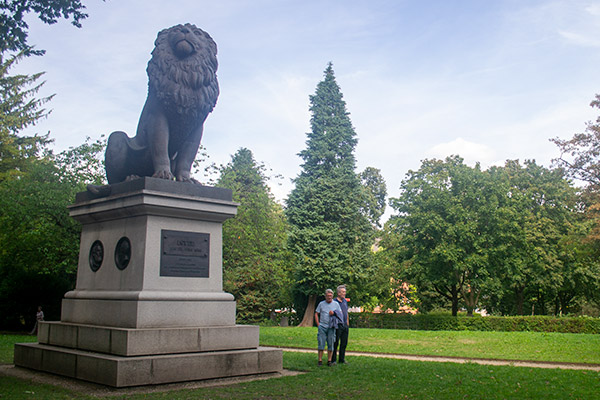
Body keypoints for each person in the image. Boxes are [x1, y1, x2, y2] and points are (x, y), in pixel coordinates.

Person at [315, 288, 341, 366]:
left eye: (330, 296)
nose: (329, 297)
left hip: (331, 326)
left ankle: (329, 360)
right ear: (325, 296)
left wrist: (333, 313)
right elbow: (316, 313)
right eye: (328, 296)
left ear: (332, 296)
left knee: (331, 343)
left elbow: (340, 314)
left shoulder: (336, 304)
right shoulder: (321, 304)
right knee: (321, 342)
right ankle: (320, 360)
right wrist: (318, 324)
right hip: (322, 326)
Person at [332, 284, 350, 364]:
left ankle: (341, 359)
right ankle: (333, 359)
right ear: (338, 293)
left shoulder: (345, 301)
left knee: (344, 343)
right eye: (343, 292)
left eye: (345, 292)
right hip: (337, 324)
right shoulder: (334, 302)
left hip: (345, 325)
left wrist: (347, 322)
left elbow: (346, 312)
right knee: (335, 343)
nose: (344, 293)